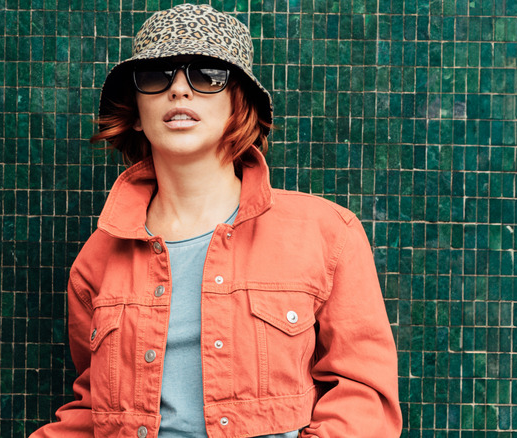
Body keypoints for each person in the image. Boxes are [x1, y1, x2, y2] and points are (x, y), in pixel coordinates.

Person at [30, 4, 402, 437]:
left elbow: (365, 399)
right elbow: (94, 410)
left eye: (207, 75)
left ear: (237, 101)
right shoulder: (98, 258)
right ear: (135, 108)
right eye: (156, 75)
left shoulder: (326, 233)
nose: (179, 91)